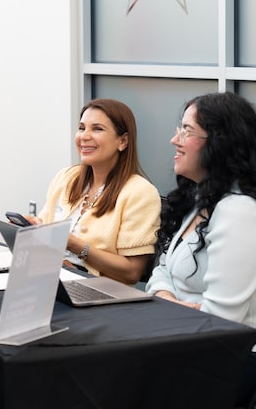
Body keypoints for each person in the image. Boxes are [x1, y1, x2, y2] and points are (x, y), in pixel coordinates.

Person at [145, 92, 256, 405]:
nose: (174, 140)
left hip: (236, 361)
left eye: (187, 131)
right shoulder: (204, 199)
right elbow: (161, 270)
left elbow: (220, 320)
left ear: (220, 143)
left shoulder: (240, 212)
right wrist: (169, 300)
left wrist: (167, 306)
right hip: (192, 342)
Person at [27, 98, 161, 285]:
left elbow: (132, 272)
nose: (84, 136)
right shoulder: (66, 177)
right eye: (82, 128)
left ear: (123, 141)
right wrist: (32, 228)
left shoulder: (140, 192)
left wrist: (76, 245)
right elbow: (46, 230)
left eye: (97, 129)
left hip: (99, 293)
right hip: (50, 280)